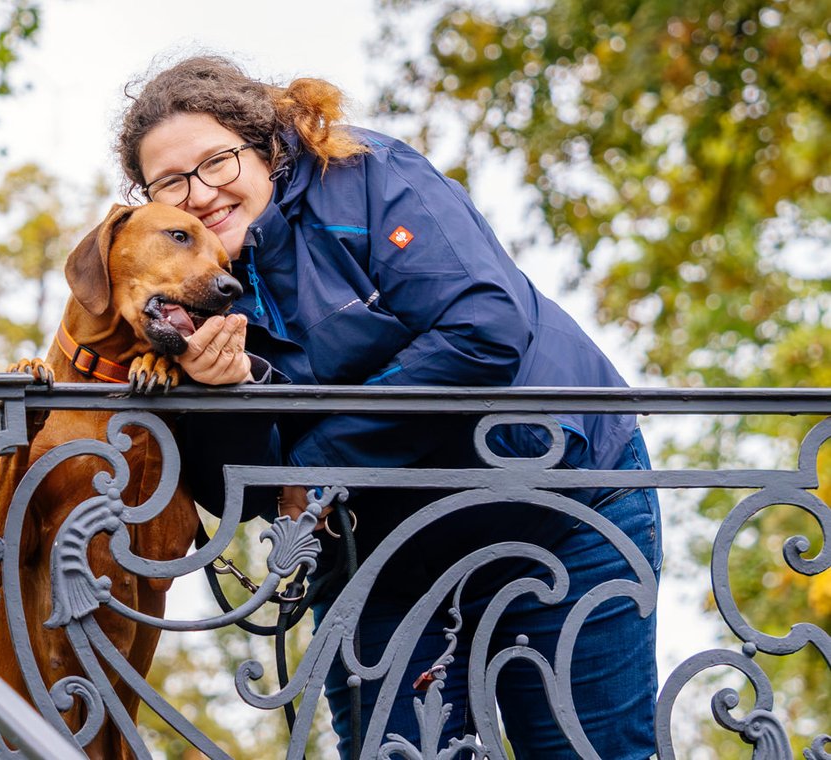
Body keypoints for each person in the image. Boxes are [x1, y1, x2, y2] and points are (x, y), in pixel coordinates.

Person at [115, 55, 662, 759]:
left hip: (565, 504)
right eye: (171, 182)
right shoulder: (186, 295)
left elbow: (483, 329)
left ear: (263, 146)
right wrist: (228, 395)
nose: (200, 193)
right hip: (380, 561)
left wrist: (313, 461)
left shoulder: (366, 177)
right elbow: (242, 493)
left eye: (218, 162)